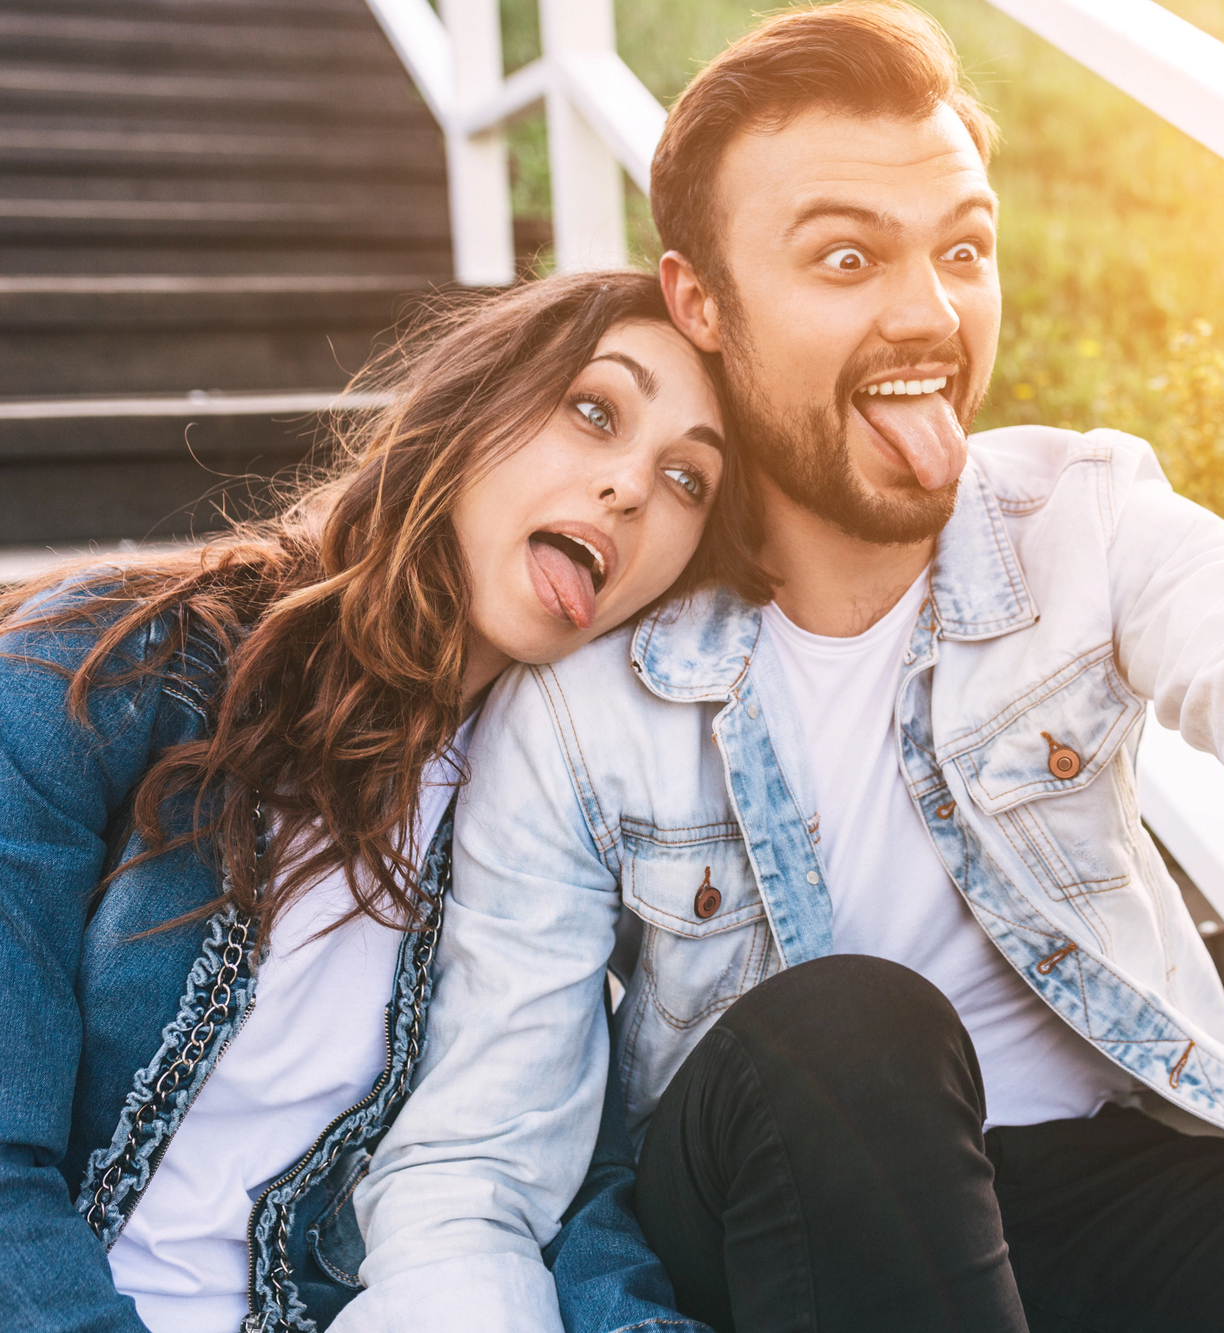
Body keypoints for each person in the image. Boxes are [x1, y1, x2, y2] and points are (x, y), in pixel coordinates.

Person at [344, 5, 1224, 1331]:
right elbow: (476, 1160)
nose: (929, 314)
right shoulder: (587, 703)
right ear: (701, 301)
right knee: (853, 1032)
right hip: (784, 1215)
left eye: (965, 248)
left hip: (1120, 1173)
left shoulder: (1086, 519)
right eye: (845, 261)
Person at [0, 269, 754, 1333]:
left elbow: (559, 1201)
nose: (632, 485)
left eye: (687, 480)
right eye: (595, 412)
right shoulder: (116, 669)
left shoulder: (539, 829)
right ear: (474, 407)